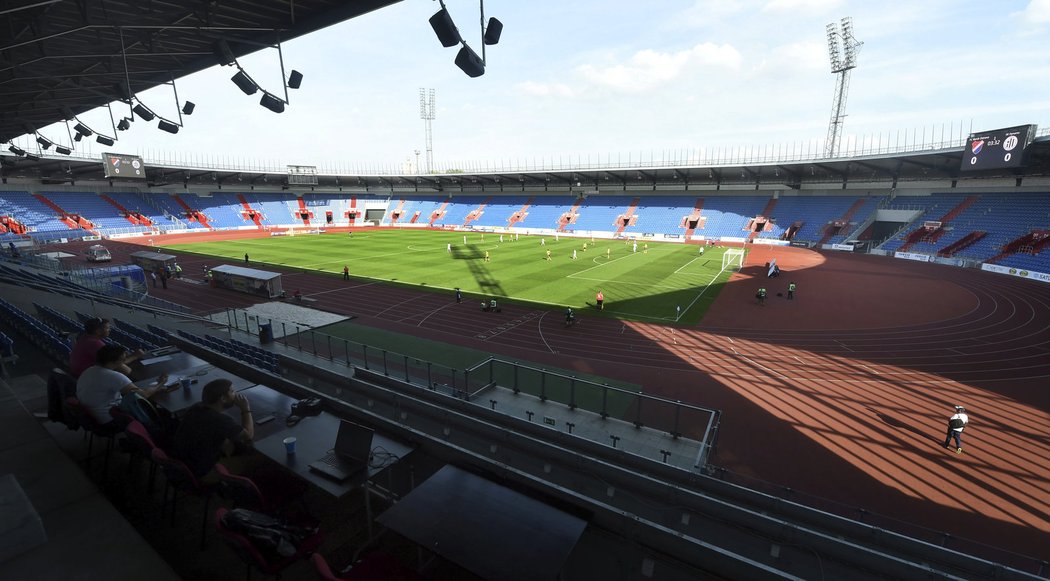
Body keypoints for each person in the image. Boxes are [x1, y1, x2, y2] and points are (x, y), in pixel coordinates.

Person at [172, 379, 254, 479]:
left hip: (181, 465)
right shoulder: (220, 420)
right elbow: (248, 435)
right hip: (200, 472)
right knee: (256, 460)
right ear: (223, 398)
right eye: (232, 391)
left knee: (229, 444)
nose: (236, 394)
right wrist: (245, 408)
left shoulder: (195, 407)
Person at [76, 345, 169, 427]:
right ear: (116, 362)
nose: (124, 362)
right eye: (123, 360)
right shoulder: (113, 376)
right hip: (109, 419)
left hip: (90, 416)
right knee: (160, 413)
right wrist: (160, 383)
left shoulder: (89, 370)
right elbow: (142, 396)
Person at [70, 317, 144, 377]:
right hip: (87, 377)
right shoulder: (95, 343)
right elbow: (119, 366)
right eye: (107, 328)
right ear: (98, 331)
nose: (109, 330)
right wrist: (135, 356)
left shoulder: (84, 337)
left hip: (80, 373)